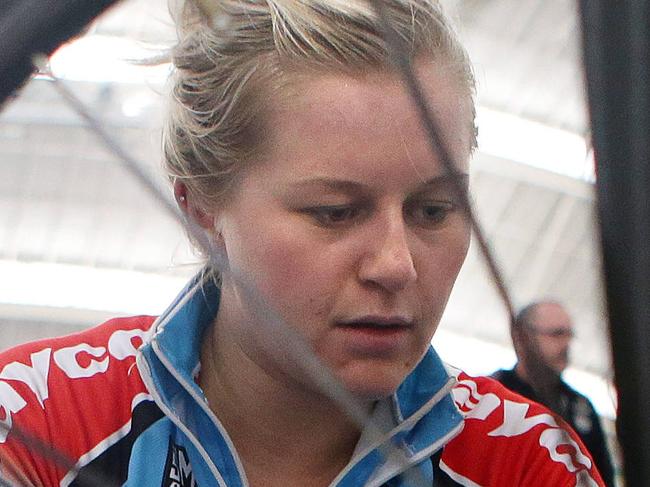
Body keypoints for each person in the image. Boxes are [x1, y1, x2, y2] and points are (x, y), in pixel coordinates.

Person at [0, 1, 605, 486]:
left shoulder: (529, 464)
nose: (396, 265)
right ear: (200, 209)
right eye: (335, 212)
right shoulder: (33, 418)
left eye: (434, 209)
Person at [492, 301, 615, 486]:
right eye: (556, 334)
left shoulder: (581, 407)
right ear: (522, 338)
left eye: (569, 335)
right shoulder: (494, 395)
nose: (566, 344)